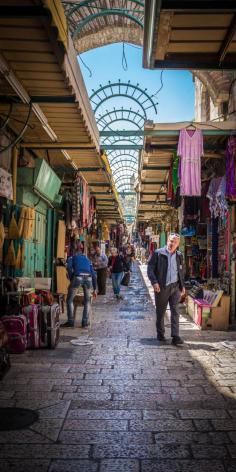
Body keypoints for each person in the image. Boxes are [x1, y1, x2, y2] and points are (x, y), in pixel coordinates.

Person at [147, 233, 185, 345]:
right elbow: (150, 269)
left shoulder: (179, 255)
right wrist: (154, 282)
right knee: (161, 312)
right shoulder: (158, 253)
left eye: (175, 242)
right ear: (167, 241)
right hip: (162, 287)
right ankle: (160, 333)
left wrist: (182, 286)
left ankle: (175, 336)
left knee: (175, 312)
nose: (172, 243)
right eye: (171, 241)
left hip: (175, 287)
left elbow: (181, 271)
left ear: (178, 244)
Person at [62, 242, 97, 328]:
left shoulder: (71, 258)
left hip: (78, 277)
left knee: (69, 300)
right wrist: (95, 289)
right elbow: (93, 274)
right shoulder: (87, 259)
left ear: (74, 252)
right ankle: (84, 322)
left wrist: (71, 278)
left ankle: (70, 321)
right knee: (87, 301)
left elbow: (69, 268)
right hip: (88, 278)